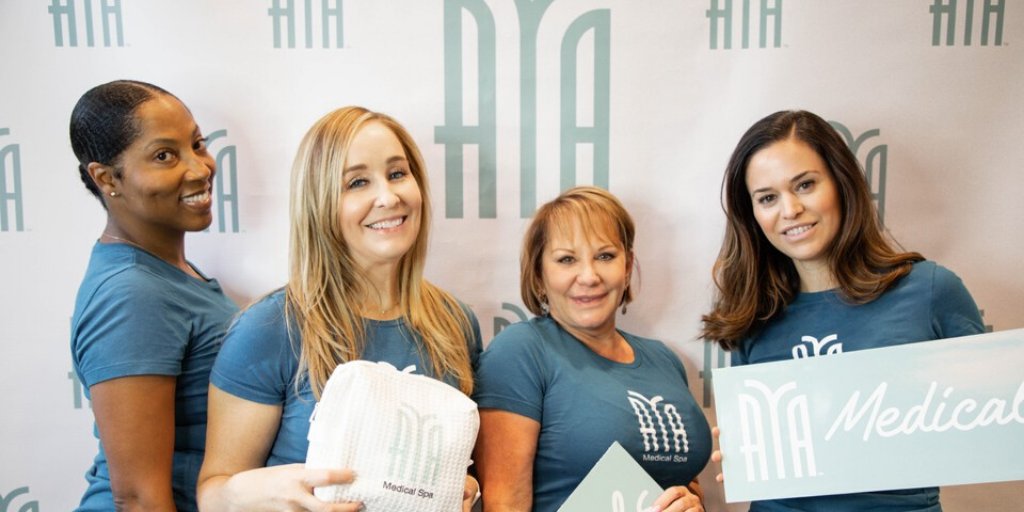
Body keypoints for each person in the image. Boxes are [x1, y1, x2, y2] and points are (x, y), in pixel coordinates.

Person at [196, 106, 482, 512]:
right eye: (357, 182)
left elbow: (459, 470)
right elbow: (213, 496)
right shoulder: (270, 327)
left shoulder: (455, 322)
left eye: (397, 173)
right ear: (319, 203)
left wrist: (463, 486)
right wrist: (267, 493)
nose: (388, 197)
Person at [701, 110, 984, 511]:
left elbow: (988, 425)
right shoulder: (753, 315)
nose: (790, 209)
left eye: (805, 185)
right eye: (767, 198)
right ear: (752, 215)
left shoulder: (930, 290)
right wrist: (751, 456)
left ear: (841, 183)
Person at [473, 186, 712, 512]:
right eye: (566, 259)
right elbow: (504, 505)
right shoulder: (520, 352)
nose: (589, 276)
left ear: (627, 266)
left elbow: (685, 483)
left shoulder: (665, 360)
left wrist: (692, 504)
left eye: (605, 256)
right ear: (539, 275)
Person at [69, 80, 239, 511]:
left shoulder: (167, 271)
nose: (200, 168)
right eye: (164, 155)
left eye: (197, 144)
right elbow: (139, 499)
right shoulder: (130, 295)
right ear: (107, 178)